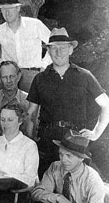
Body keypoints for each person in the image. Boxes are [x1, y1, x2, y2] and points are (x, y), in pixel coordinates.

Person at [26, 27, 109, 178]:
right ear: (48, 51)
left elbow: (106, 104)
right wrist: (31, 140)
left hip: (76, 141)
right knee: (46, 184)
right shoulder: (40, 79)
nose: (58, 52)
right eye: (54, 48)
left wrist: (96, 133)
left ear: (71, 50)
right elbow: (31, 113)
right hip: (47, 141)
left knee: (77, 186)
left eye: (63, 48)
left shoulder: (84, 76)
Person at [0, 0, 51, 92]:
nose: (7, 12)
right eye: (3, 9)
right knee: (12, 106)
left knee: (35, 106)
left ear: (18, 8)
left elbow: (54, 43)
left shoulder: (34, 25)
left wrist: (44, 66)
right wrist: (2, 64)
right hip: (11, 78)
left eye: (10, 8)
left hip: (32, 75)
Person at [0, 60, 29, 139]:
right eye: (5, 77)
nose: (9, 81)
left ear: (18, 76)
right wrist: (2, 135)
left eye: (12, 76)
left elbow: (31, 129)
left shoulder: (28, 100)